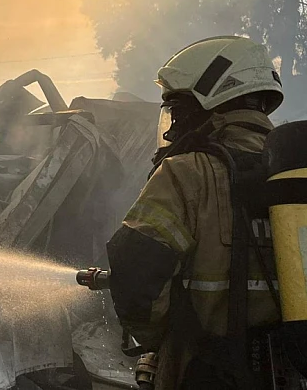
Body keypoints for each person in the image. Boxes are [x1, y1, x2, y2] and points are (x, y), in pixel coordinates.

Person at [106, 36, 285, 390]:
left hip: (203, 371)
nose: (173, 127)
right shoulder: (299, 174)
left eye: (177, 111)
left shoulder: (185, 174)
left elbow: (135, 271)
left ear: (207, 104)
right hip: (295, 368)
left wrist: (157, 339)